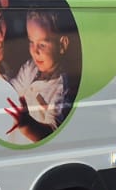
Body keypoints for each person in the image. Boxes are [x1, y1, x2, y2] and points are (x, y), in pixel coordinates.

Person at [6, 9, 78, 141]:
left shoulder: (61, 88)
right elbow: (11, 90)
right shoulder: (30, 67)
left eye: (42, 45)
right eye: (31, 42)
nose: (34, 51)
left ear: (62, 45)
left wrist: (26, 124)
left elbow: (54, 132)